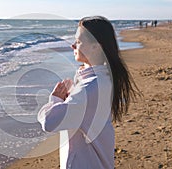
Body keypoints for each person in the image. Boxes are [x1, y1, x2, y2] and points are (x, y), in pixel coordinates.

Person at [37, 16, 139, 169]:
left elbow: (49, 121)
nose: (73, 45)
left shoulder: (90, 87)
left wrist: (56, 100)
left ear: (95, 47)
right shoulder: (104, 79)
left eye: (78, 42)